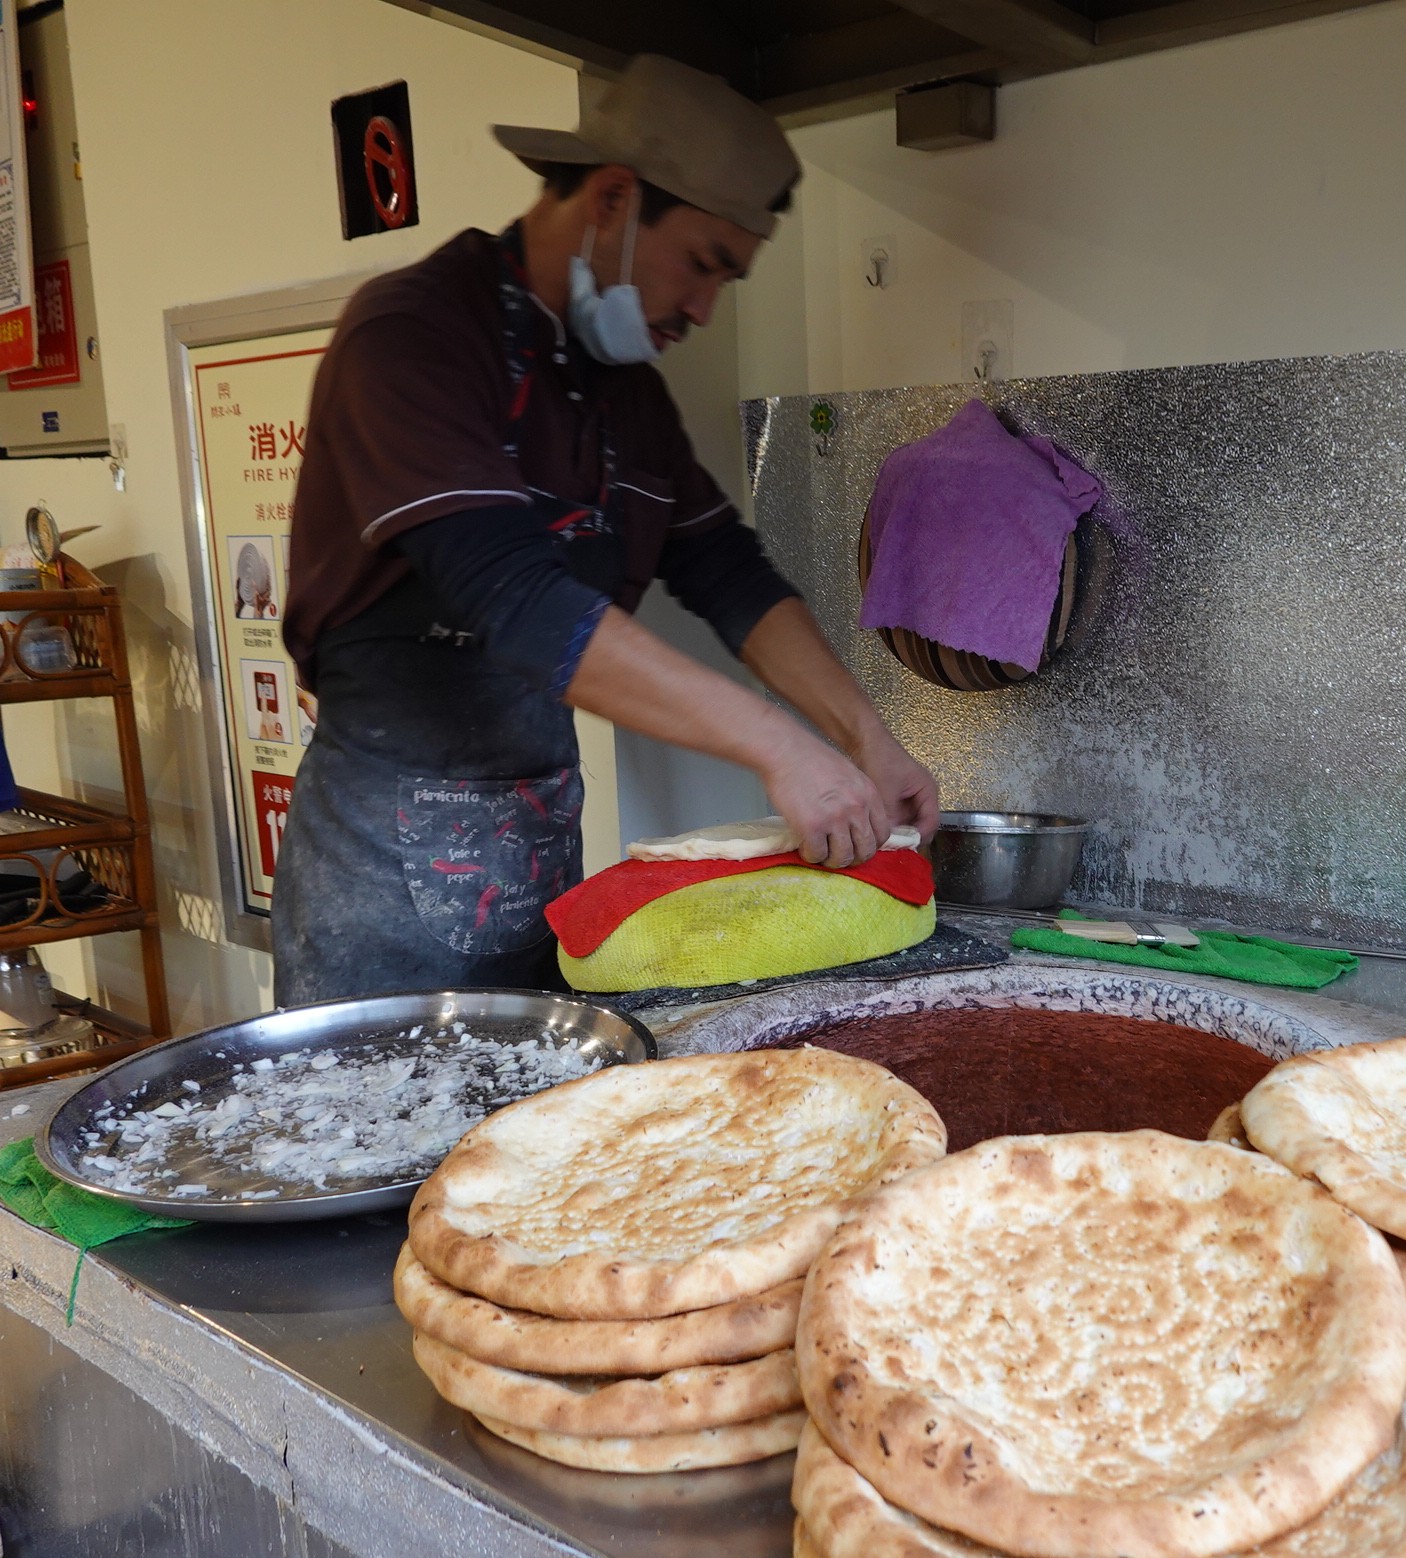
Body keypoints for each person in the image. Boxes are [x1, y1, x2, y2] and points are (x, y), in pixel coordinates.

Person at [274, 55, 936, 1004]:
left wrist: (866, 736)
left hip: (540, 823)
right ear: (615, 200)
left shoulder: (627, 398)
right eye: (703, 265)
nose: (706, 309)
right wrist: (779, 746)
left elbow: (728, 574)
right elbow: (516, 599)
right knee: (384, 1134)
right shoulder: (412, 335)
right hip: (381, 852)